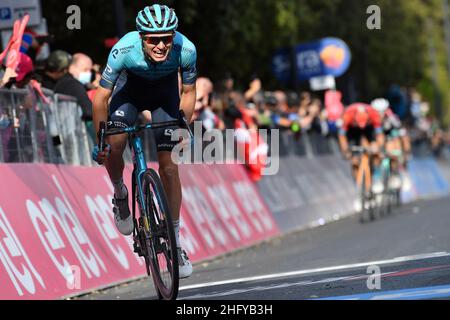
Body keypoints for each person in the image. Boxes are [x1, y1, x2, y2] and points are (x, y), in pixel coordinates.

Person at [91, 4, 197, 279]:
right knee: (115, 143)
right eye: (154, 39)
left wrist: (184, 124)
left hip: (164, 96)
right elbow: (100, 98)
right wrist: (99, 138)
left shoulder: (186, 49)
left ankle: (175, 241)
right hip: (129, 94)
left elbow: (188, 91)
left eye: (167, 38)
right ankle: (120, 193)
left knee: (170, 167)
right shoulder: (123, 50)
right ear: (141, 37)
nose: (161, 45)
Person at [338, 103, 385, 194]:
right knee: (354, 159)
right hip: (352, 131)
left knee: (375, 152)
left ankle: (376, 177)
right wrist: (346, 150)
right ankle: (359, 188)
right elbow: (342, 136)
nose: (361, 126)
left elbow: (379, 134)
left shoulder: (374, 114)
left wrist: (378, 146)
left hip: (369, 130)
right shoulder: (347, 115)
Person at [54, 53, 95, 141]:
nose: (88, 73)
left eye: (90, 70)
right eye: (85, 69)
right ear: (72, 67)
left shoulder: (63, 82)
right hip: (70, 136)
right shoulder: (73, 84)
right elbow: (89, 111)